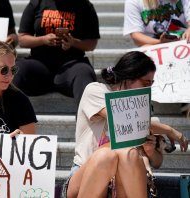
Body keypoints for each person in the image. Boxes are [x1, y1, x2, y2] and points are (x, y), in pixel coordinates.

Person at [63, 51, 188, 198]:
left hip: (126, 181)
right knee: (108, 155)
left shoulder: (143, 107)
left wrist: (150, 151)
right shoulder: (96, 90)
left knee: (127, 153)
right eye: (145, 83)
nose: (148, 88)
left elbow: (157, 162)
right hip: (86, 176)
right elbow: (120, 116)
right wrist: (169, 129)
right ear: (129, 77)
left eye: (151, 83)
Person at [13, 0, 100, 110]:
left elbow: (92, 43)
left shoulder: (85, 6)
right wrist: (43, 40)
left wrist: (73, 42)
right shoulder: (37, 3)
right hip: (39, 65)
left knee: (84, 73)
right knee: (16, 70)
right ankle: (4, 120)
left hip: (71, 66)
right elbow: (22, 39)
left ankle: (88, 123)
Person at [123, 0, 190, 113]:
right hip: (153, 47)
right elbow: (136, 36)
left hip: (181, 47)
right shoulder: (134, 1)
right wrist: (160, 43)